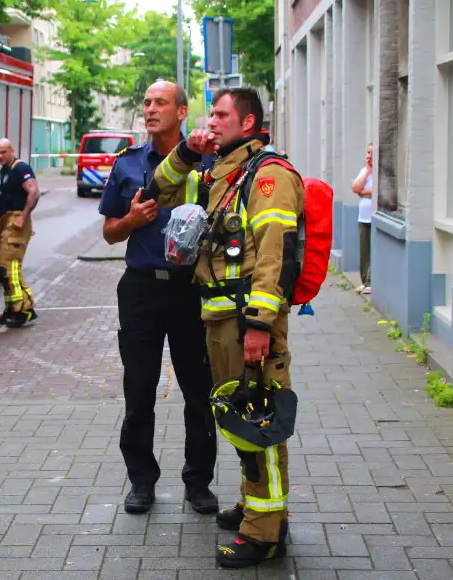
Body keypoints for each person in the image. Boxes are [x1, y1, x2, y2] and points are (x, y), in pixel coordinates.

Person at [149, 87, 303, 568]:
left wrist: (259, 325)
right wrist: (186, 149)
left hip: (246, 324)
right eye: (209, 114)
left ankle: (265, 533)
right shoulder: (219, 172)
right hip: (218, 320)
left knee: (259, 421)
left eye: (221, 115)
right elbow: (160, 186)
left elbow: (274, 258)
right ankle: (255, 505)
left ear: (250, 123)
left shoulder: (268, 177)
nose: (210, 121)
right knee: (238, 419)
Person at [97, 80, 219, 516]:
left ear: (182, 112)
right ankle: (141, 482)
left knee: (198, 391)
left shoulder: (210, 163)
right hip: (141, 289)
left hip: (192, 290)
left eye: (160, 103)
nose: (150, 109)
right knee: (139, 389)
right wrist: (130, 220)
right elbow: (109, 233)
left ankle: (198, 482)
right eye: (146, 102)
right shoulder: (129, 164)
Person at [0, 138, 39, 328]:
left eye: (4, 152)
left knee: (10, 267)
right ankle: (11, 307)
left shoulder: (21, 168)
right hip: (7, 223)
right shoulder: (6, 170)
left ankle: (24, 308)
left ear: (12, 150)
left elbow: (33, 192)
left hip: (17, 224)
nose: (1, 156)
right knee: (5, 270)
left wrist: (23, 217)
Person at [350, 143, 374, 294]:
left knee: (372, 251)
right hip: (363, 217)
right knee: (363, 251)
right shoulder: (364, 171)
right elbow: (355, 188)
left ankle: (371, 281)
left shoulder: (381, 173)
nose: (368, 156)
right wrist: (367, 173)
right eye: (367, 152)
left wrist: (363, 192)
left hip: (373, 218)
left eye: (372, 153)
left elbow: (377, 192)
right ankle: (364, 281)